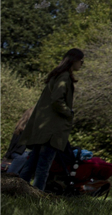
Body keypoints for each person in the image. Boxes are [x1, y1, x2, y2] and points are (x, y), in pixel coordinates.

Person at [20, 48, 85, 191]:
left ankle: (18, 192)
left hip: (42, 129)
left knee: (32, 163)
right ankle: (36, 196)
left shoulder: (57, 75)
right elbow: (57, 100)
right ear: (74, 60)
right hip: (52, 130)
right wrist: (69, 112)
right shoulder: (64, 77)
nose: (82, 64)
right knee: (43, 166)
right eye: (81, 61)